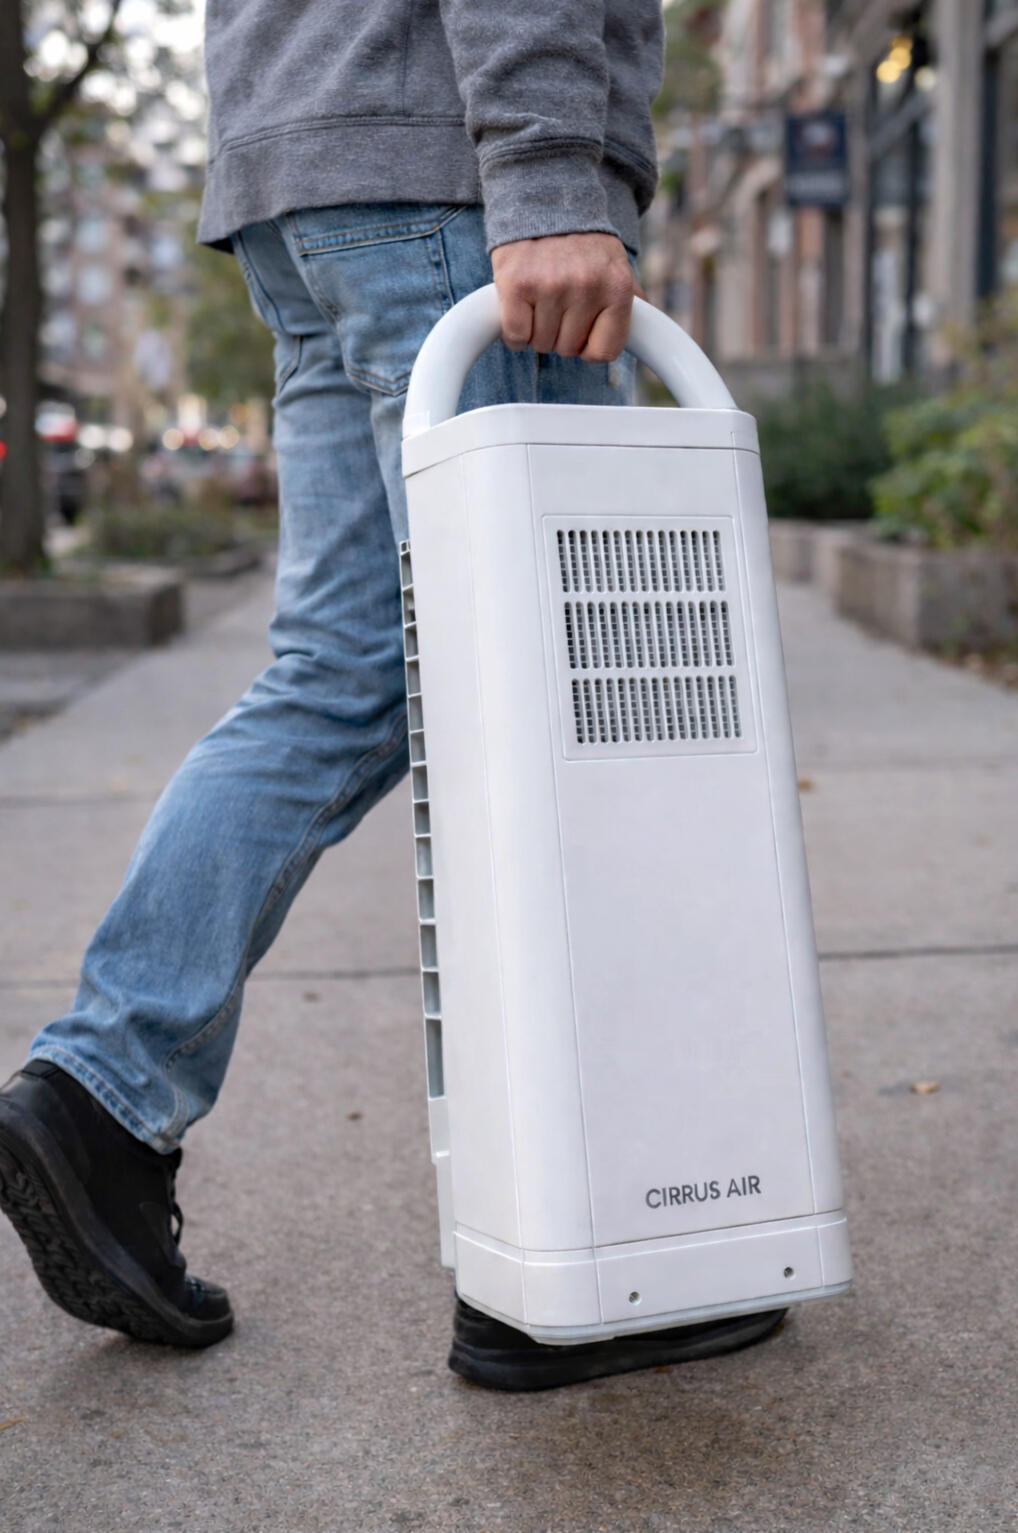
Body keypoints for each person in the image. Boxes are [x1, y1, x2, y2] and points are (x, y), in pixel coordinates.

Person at [0, 1, 786, 1389]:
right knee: (540, 702)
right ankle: (560, 1257)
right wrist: (547, 174)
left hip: (310, 180)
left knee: (346, 674)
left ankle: (101, 1097)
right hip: (455, 179)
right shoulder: (499, 180)